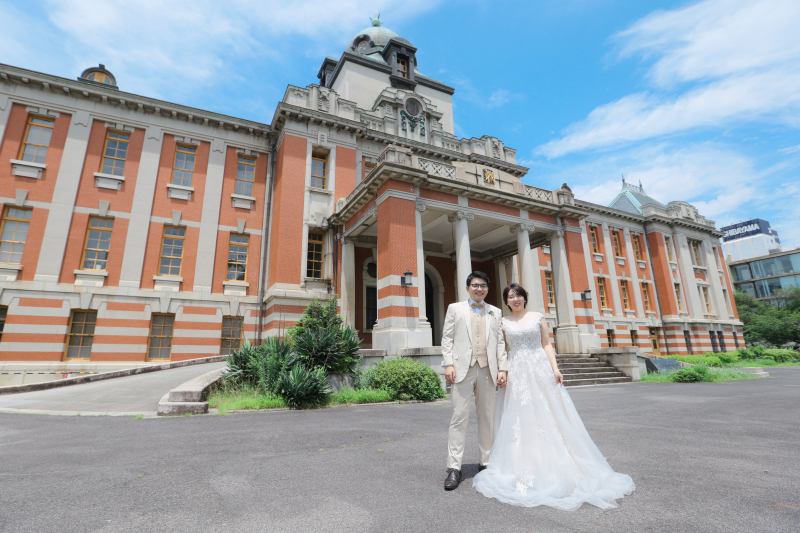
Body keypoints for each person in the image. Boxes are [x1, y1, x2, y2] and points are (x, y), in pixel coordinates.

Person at [473, 283, 635, 509]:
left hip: (540, 368)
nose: (515, 299)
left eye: (518, 295)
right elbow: (501, 350)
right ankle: (524, 463)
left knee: (550, 413)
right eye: (511, 296)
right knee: (521, 417)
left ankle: (557, 461)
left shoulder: (538, 318)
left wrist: (555, 369)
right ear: (506, 301)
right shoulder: (503, 322)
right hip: (517, 371)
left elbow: (547, 345)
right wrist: (503, 371)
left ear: (525, 298)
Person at [441, 271, 508, 491]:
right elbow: (447, 338)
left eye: (483, 285)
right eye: (475, 285)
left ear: (487, 289)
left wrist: (503, 368)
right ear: (468, 287)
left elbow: (500, 343)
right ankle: (454, 467)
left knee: (487, 417)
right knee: (458, 418)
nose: (479, 289)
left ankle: (486, 463)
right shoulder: (455, 308)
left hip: (488, 369)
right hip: (462, 369)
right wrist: (448, 364)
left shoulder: (496, 312)